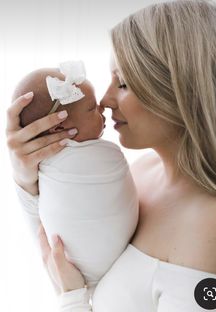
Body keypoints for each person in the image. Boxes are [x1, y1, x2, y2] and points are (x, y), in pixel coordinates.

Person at [6, 0, 216, 311]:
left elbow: (68, 281)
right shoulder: (140, 173)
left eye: (123, 82)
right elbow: (59, 255)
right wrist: (28, 177)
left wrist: (72, 300)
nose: (105, 99)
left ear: (181, 88)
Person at [12, 61, 139, 295]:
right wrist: (24, 180)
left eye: (123, 83)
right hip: (77, 267)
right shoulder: (51, 166)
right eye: (92, 109)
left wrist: (71, 294)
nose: (102, 105)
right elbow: (46, 235)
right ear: (57, 126)